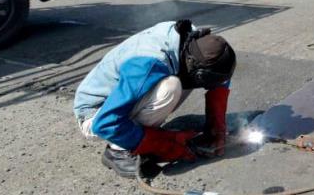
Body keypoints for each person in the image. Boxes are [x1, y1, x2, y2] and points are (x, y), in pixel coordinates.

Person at [74, 19, 236, 178]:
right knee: (170, 87)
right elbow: (105, 124)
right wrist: (161, 144)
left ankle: (138, 132)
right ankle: (118, 150)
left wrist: (216, 128)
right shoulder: (147, 66)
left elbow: (219, 74)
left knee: (192, 76)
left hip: (125, 95)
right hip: (96, 114)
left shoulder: (193, 40)